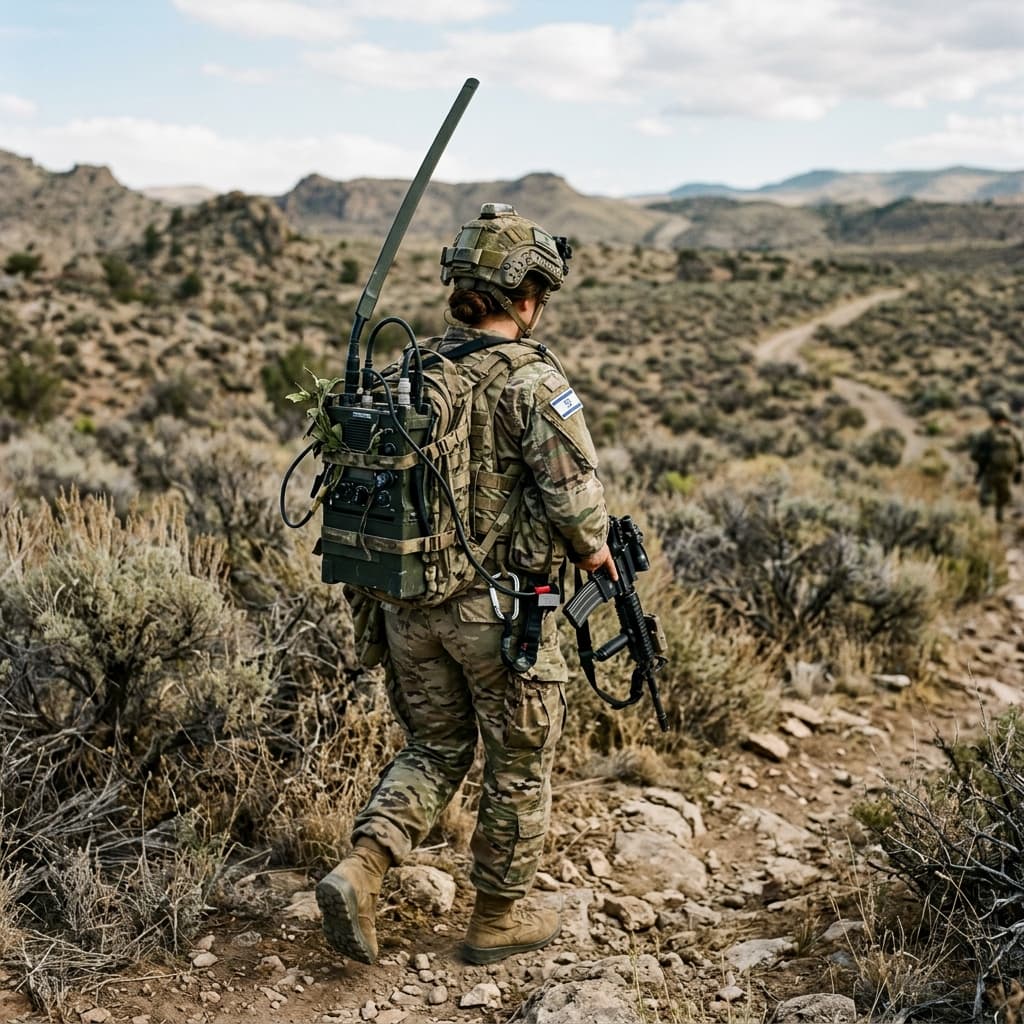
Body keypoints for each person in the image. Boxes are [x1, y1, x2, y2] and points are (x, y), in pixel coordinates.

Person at [315, 203, 615, 966]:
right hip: (500, 616)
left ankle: (363, 868)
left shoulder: (412, 373)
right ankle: (495, 920)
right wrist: (596, 555)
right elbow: (575, 504)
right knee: (518, 763)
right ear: (527, 297)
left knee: (436, 745)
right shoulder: (533, 381)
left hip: (407, 604)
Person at [970, 402, 1024, 523]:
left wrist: (982, 463)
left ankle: (984, 524)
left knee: (986, 499)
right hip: (1008, 472)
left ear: (992, 416)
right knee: (1002, 499)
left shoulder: (986, 434)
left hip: (990, 471)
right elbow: (1022, 455)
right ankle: (1000, 520)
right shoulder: (1014, 434)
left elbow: (974, 454)